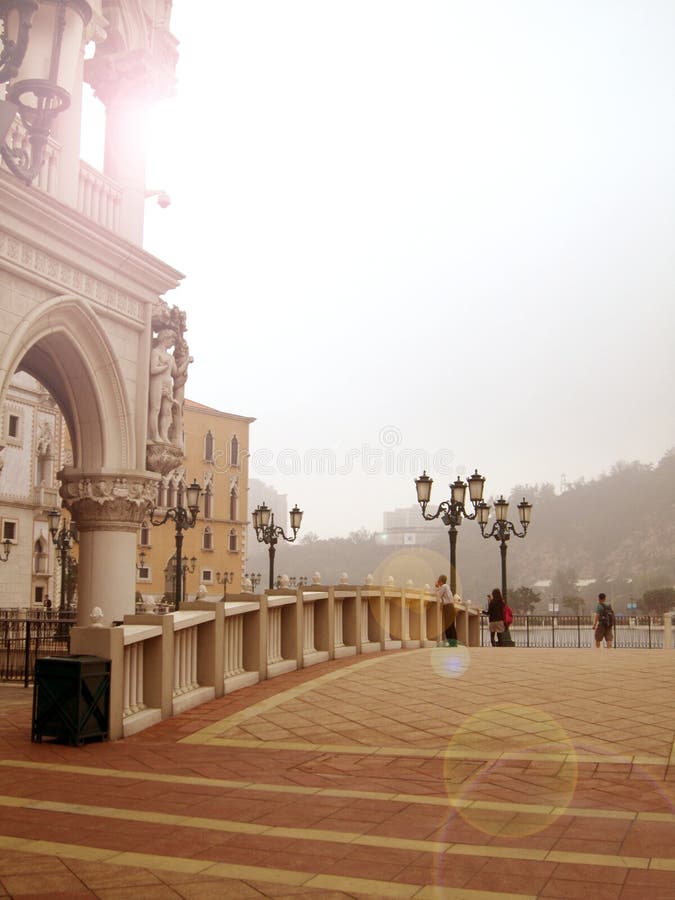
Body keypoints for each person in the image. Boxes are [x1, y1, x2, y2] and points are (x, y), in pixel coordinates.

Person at [435, 575, 457, 646]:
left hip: (448, 608)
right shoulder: (446, 587)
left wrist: (437, 587)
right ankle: (454, 643)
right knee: (452, 625)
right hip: (451, 607)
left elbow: (438, 595)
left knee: (448, 626)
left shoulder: (444, 587)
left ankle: (451, 643)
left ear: (440, 581)